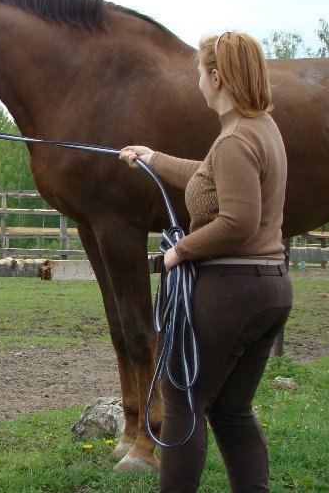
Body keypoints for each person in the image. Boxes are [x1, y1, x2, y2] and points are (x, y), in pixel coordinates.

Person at [120, 31, 292, 492]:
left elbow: (237, 222)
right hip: (267, 289)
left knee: (182, 407)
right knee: (231, 411)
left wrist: (180, 251)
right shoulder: (259, 130)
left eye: (199, 71)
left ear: (216, 78)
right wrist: (152, 157)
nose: (196, 80)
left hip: (229, 292)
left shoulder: (236, 138)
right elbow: (207, 176)